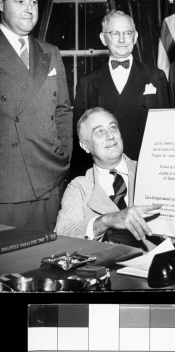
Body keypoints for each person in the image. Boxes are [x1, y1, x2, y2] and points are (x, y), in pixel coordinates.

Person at [0, 0, 72, 231]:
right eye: (19, 1)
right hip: (7, 185)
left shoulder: (50, 52)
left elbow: (63, 110)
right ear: (0, 4)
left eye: (34, 2)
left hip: (49, 178)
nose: (29, 9)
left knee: (47, 262)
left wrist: (62, 157)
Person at [72, 10, 170, 174]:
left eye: (127, 33)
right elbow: (80, 139)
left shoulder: (156, 76)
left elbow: (166, 130)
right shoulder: (87, 82)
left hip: (146, 169)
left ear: (136, 36)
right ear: (103, 38)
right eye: (115, 33)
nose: (123, 39)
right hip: (104, 172)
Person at [55, 107, 161, 250]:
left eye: (113, 127)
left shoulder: (152, 170)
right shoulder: (79, 187)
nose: (110, 136)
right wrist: (107, 220)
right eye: (100, 131)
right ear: (85, 146)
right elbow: (62, 233)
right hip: (106, 267)